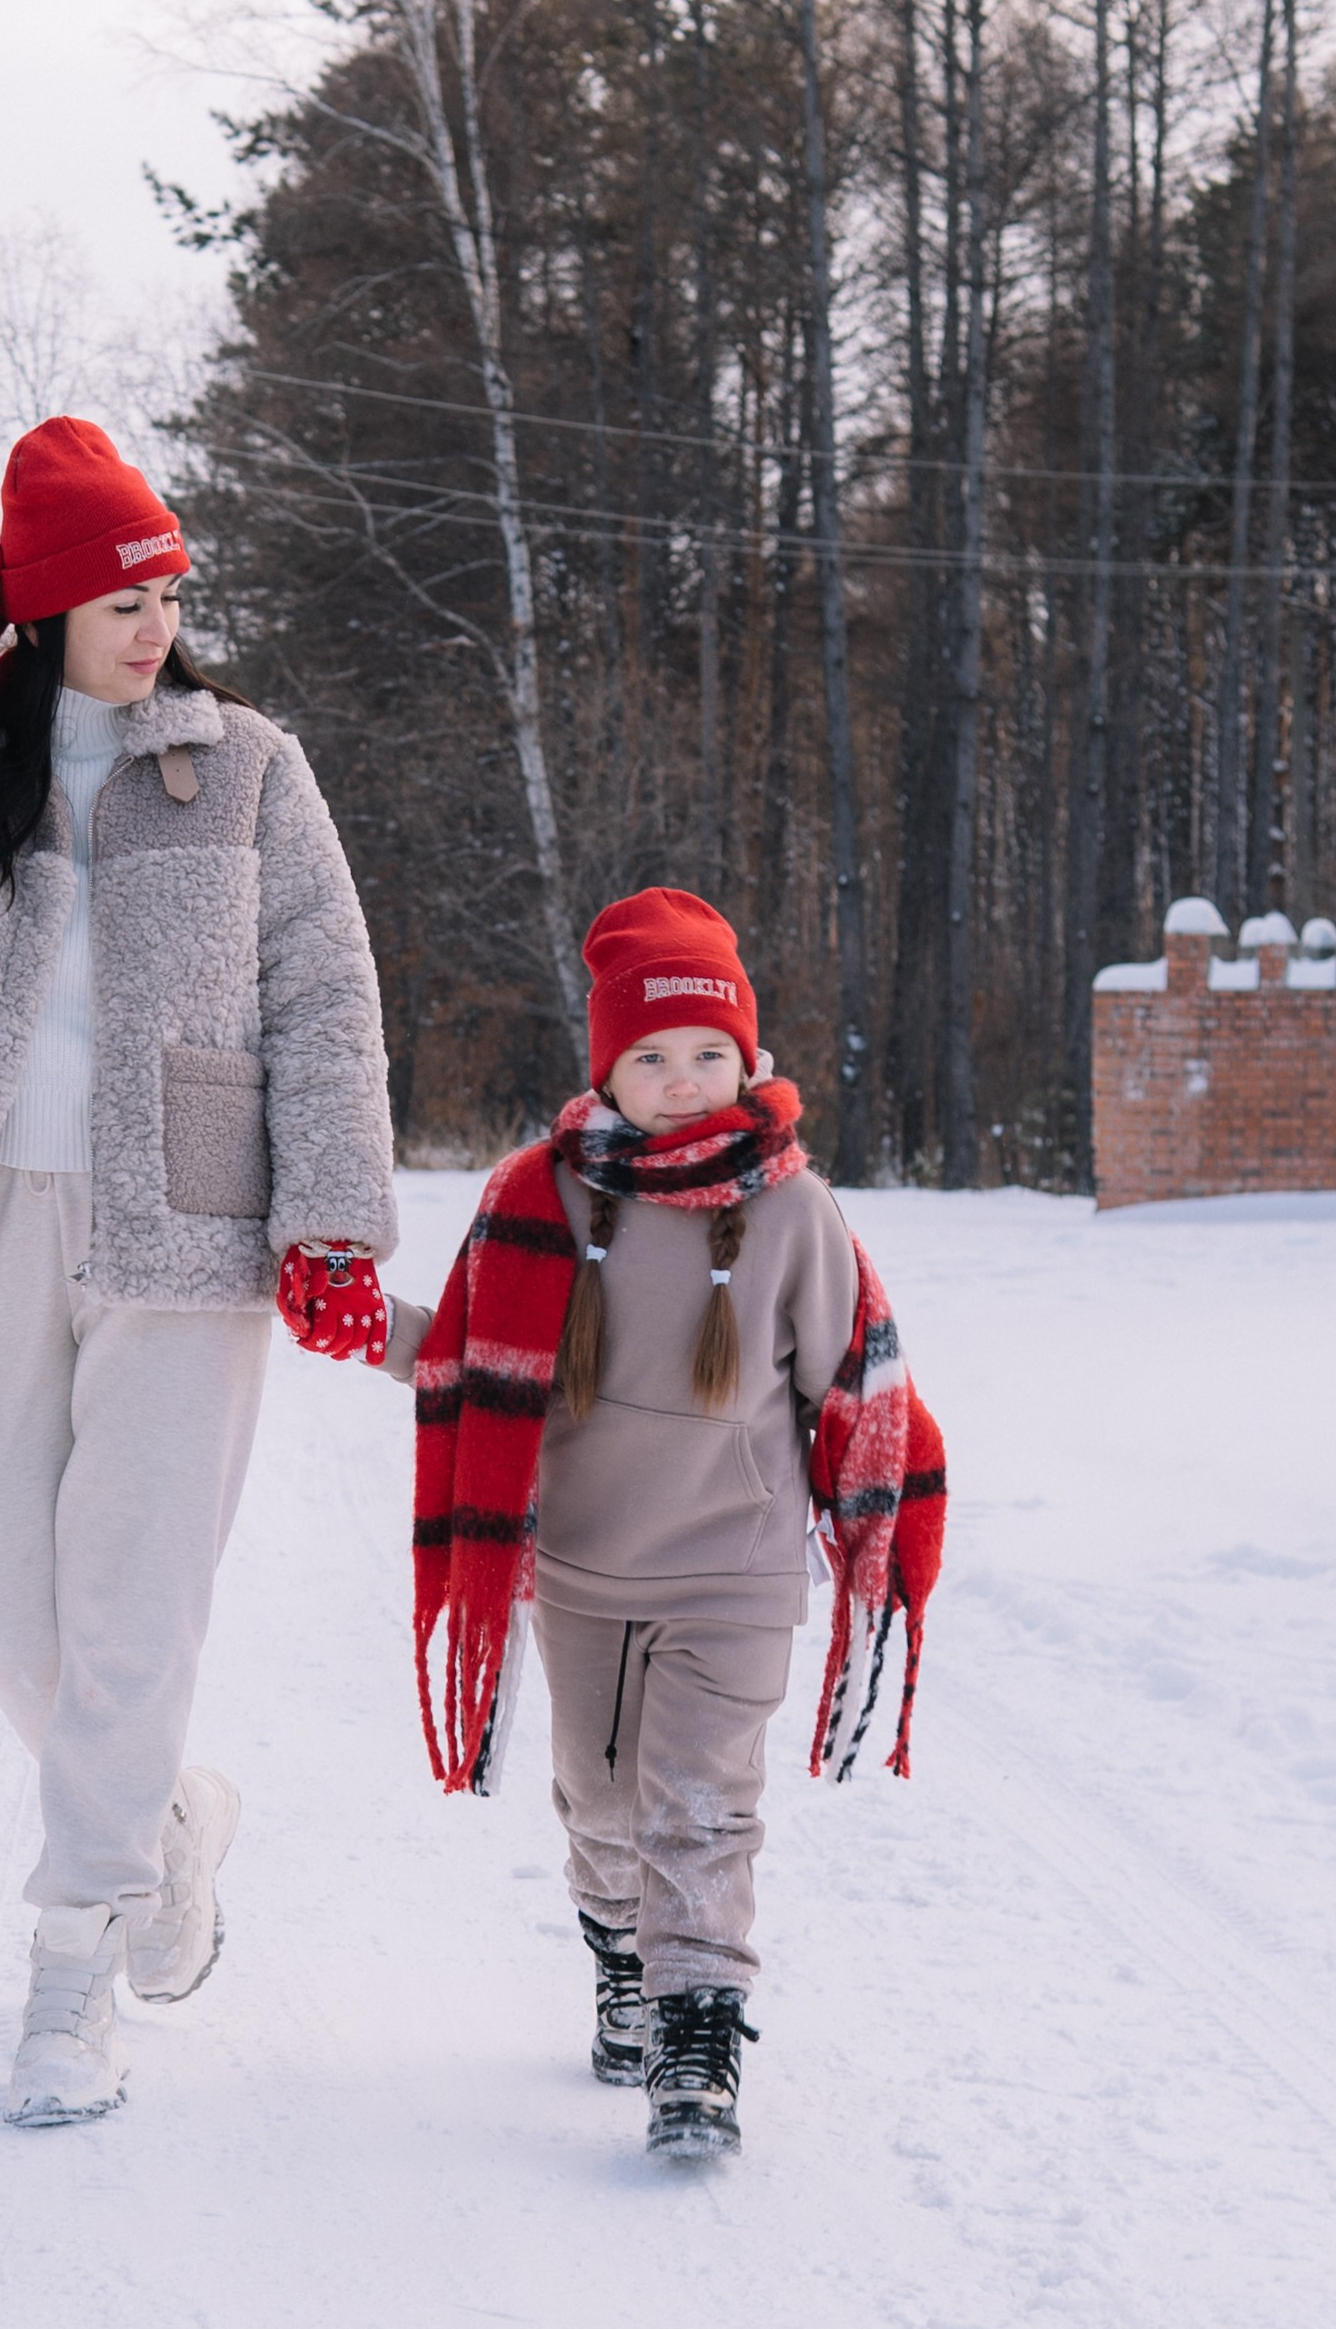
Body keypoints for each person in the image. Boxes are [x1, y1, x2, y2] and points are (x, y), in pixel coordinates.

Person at [0, 416, 397, 2128]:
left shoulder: (242, 762)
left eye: (165, 587)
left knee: (129, 1594)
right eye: (115, 591)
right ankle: (163, 1815)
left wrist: (328, 1215)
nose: (152, 619)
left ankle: (65, 1968)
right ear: (35, 608)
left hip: (184, 1223)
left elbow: (326, 997)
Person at [373, 888, 945, 2161]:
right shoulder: (541, 1195)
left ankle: (698, 2027)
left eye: (708, 1055)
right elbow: (466, 1354)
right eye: (651, 1057)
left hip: (732, 1572)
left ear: (746, 1060)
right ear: (606, 1066)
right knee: (602, 1803)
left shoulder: (794, 1210)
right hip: (577, 1570)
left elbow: (856, 1385)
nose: (683, 1082)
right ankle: (620, 1956)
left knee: (701, 1802)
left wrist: (874, 1538)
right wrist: (368, 1324)